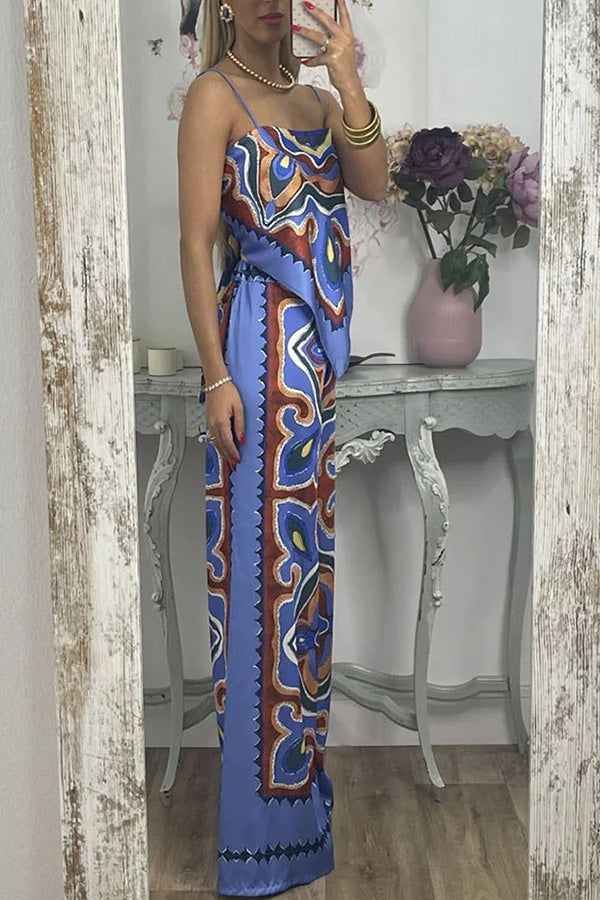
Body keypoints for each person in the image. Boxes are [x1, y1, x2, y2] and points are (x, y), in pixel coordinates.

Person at [177, 0, 387, 895]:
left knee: (303, 586)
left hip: (313, 380)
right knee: (260, 583)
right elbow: (195, 243)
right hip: (257, 360)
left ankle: (296, 816)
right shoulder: (212, 96)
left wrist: (347, 77)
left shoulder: (313, 102)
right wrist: (215, 376)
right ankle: (255, 840)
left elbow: (374, 183)